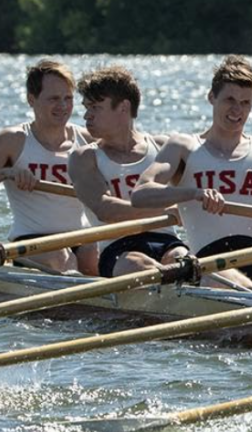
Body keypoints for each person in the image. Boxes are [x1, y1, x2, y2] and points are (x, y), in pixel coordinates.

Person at [131, 55, 252, 293]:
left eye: (245, 102)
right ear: (211, 97)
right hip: (210, 261)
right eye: (229, 100)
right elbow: (140, 194)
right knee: (245, 291)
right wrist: (194, 193)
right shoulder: (183, 147)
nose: (237, 110)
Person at [0, 59, 98, 275]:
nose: (62, 106)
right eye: (53, 99)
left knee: (95, 257)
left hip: (81, 239)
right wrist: (6, 173)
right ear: (31, 100)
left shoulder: (88, 140)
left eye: (68, 98)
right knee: (62, 258)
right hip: (31, 242)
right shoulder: (13, 140)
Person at [67, 66, 188, 278]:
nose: (86, 116)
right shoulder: (84, 158)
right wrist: (166, 210)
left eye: (95, 107)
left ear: (123, 107)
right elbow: (105, 210)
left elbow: (201, 188)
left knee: (183, 259)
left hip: (167, 242)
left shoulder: (163, 147)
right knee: (141, 265)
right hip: (118, 248)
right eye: (86, 108)